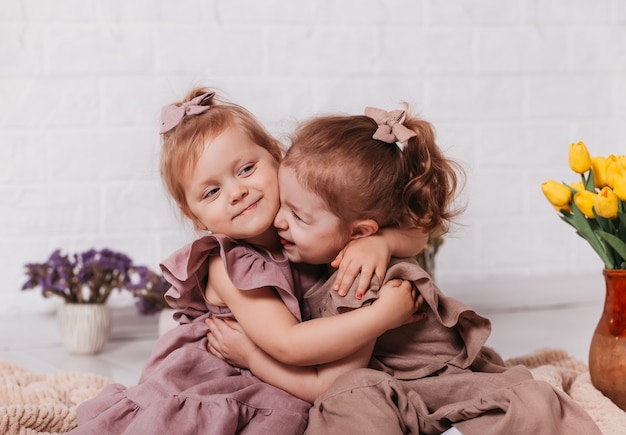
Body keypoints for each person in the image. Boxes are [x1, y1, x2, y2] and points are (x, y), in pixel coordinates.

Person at [206, 107, 602, 435]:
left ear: (360, 231)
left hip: (436, 378)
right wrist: (385, 241)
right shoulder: (353, 244)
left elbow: (323, 381)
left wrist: (252, 358)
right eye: (284, 205)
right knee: (355, 401)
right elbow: (413, 234)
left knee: (520, 400)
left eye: (297, 215)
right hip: (392, 385)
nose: (279, 221)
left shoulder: (355, 278)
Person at [70, 89, 425, 435]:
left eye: (246, 169)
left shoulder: (307, 221)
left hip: (295, 370)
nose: (237, 192)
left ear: (276, 155)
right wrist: (381, 316)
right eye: (212, 191)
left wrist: (379, 241)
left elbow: (421, 232)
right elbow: (289, 343)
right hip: (226, 377)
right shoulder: (227, 266)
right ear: (193, 214)